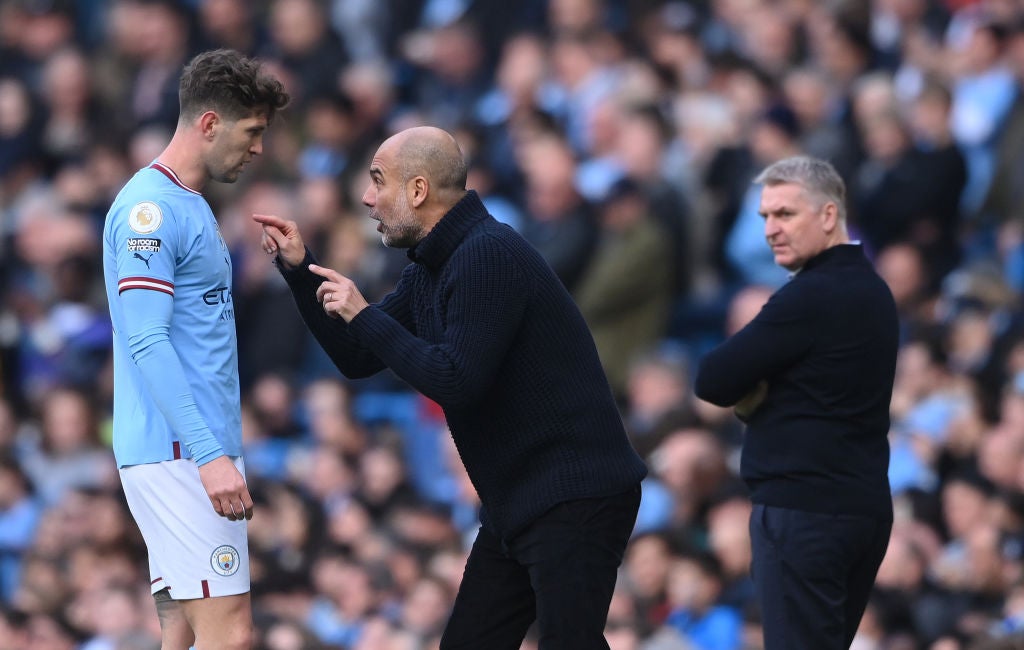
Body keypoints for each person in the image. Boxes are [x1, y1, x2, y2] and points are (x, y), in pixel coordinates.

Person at [254, 125, 647, 650]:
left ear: (417, 191)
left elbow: (456, 380)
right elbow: (357, 355)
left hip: (575, 494)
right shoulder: (432, 267)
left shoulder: (487, 254)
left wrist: (364, 314)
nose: (367, 198)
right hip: (518, 503)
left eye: (377, 182)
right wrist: (300, 272)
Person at [102, 49, 289, 650]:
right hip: (181, 452)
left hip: (182, 450)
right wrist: (209, 456)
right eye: (252, 130)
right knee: (230, 633)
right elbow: (147, 338)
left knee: (181, 633)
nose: (258, 147)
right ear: (210, 124)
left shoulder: (190, 203)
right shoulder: (148, 214)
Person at [693, 156, 898, 650]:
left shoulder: (810, 295)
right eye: (765, 216)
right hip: (860, 507)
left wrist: (758, 386)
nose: (770, 229)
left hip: (803, 511)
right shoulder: (873, 289)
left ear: (828, 215)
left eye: (785, 214)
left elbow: (713, 379)